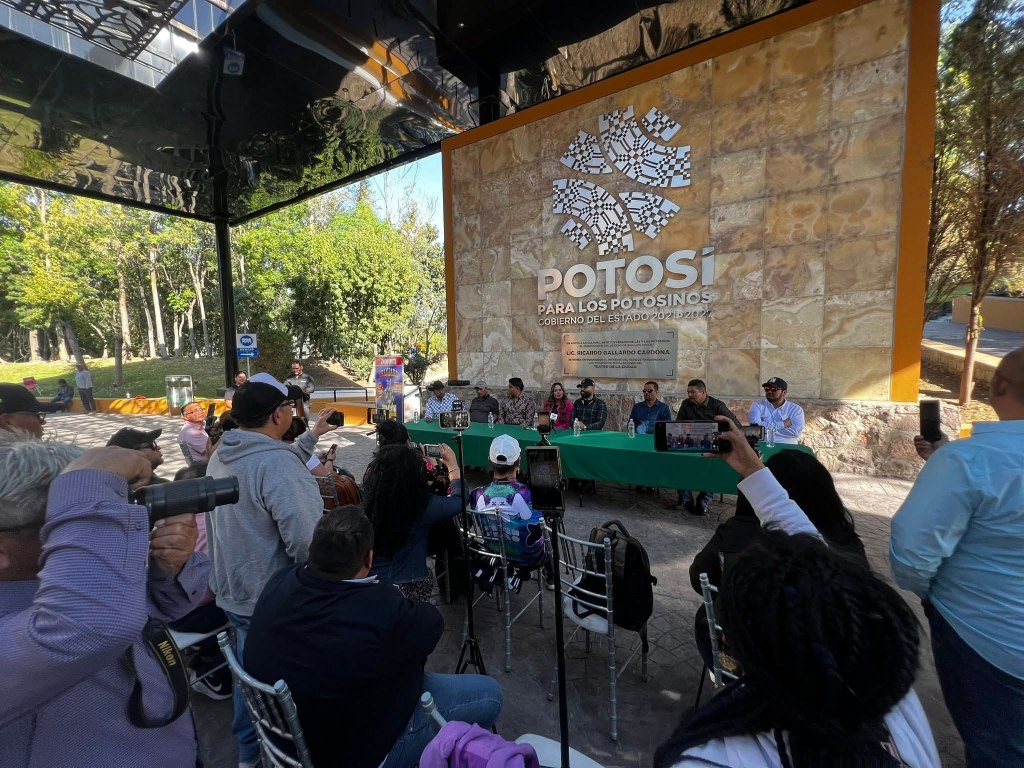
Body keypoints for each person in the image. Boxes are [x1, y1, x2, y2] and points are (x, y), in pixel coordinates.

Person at [654, 418, 939, 768]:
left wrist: (753, 472)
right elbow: (818, 561)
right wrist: (752, 470)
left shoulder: (714, 758)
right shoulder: (893, 701)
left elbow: (811, 557)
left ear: (750, 649)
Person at [0, 440, 211, 766]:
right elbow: (89, 628)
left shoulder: (79, 582)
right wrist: (86, 487)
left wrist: (168, 570)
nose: (107, 536)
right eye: (63, 524)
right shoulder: (81, 609)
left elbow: (156, 612)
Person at [244, 506, 503, 768]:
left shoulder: (280, 580)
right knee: (490, 695)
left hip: (284, 740)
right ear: (369, 560)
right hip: (351, 753)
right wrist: (384, 590)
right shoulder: (380, 608)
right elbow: (432, 625)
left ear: (311, 548)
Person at [890, 347, 1024, 767]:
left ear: (997, 386)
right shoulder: (961, 460)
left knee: (997, 751)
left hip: (987, 638)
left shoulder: (968, 461)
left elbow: (912, 556)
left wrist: (934, 595)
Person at [206, 372, 340, 766]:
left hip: (235, 591)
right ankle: (280, 752)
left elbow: (270, 460)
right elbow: (307, 544)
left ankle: (248, 751)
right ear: (278, 414)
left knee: (248, 679)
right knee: (274, 686)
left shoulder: (225, 451)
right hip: (271, 600)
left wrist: (311, 436)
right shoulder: (276, 465)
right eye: (288, 406)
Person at [688, 449, 868, 667]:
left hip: (747, 658)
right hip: (824, 663)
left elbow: (700, 577)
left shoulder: (738, 531)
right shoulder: (847, 543)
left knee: (707, 613)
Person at [362, 442, 463, 601]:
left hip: (371, 581)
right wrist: (453, 466)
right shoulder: (422, 505)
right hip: (410, 584)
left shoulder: (369, 501)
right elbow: (459, 500)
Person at [470, 434, 547, 568]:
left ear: (489, 461)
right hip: (530, 559)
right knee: (551, 524)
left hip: (493, 554)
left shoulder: (476, 494)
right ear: (518, 462)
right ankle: (551, 575)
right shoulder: (531, 494)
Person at [675, 379, 742, 515]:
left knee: (713, 466)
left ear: (703, 392)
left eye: (693, 392)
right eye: (688, 392)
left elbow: (736, 426)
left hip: (712, 444)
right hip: (690, 443)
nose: (689, 395)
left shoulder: (717, 406)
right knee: (678, 461)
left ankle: (703, 500)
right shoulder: (686, 404)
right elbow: (678, 425)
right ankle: (686, 499)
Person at [747, 377, 804, 444]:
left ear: (784, 392)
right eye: (767, 389)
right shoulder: (757, 405)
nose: (769, 391)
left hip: (787, 446)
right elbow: (755, 427)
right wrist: (783, 424)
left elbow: (796, 432)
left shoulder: (795, 409)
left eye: (773, 389)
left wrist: (765, 428)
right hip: (762, 445)